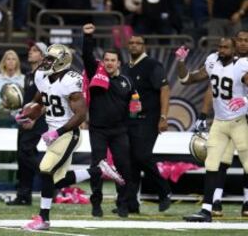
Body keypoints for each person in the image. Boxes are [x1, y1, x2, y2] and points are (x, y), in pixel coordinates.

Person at [17, 43, 125, 230]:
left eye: (51, 59)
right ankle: (98, 171)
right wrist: (30, 116)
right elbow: (45, 100)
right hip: (55, 134)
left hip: (68, 133)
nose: (46, 62)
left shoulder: (70, 81)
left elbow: (81, 115)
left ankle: (43, 219)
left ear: (62, 62)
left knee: (45, 168)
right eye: (47, 58)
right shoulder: (43, 77)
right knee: (56, 180)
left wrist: (57, 132)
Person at [176, 38, 248, 222]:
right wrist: (181, 62)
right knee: (211, 164)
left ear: (234, 50)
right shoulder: (212, 60)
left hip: (239, 122)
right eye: (220, 47)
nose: (222, 50)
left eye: (226, 47)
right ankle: (207, 210)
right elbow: (186, 80)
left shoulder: (241, 65)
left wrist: (245, 100)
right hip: (219, 122)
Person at [82, 23, 140, 218]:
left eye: (112, 60)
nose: (108, 63)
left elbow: (134, 107)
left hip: (120, 131)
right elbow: (87, 57)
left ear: (118, 63)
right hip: (97, 130)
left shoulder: (127, 82)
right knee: (97, 168)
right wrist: (88, 37)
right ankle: (96, 203)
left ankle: (122, 204)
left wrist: (135, 116)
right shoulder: (95, 75)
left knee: (124, 167)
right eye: (106, 60)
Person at [118, 35, 172, 214]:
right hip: (129, 120)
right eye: (131, 43)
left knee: (141, 156)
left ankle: (164, 189)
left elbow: (164, 89)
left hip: (149, 119)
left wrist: (163, 117)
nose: (134, 46)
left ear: (144, 46)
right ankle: (131, 203)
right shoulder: (125, 68)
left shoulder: (153, 65)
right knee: (131, 162)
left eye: (138, 43)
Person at [6, 42, 48, 205]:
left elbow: (47, 99)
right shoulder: (30, 75)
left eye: (35, 50)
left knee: (26, 152)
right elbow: (30, 100)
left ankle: (51, 178)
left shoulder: (43, 74)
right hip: (26, 119)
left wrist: (34, 118)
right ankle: (24, 195)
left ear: (43, 56)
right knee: (23, 156)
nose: (30, 52)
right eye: (30, 49)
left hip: (37, 121)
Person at [0, 49, 25, 126]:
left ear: (17, 63)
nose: (11, 61)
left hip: (19, 115)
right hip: (1, 113)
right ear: (4, 62)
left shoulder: (23, 79)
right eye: (8, 59)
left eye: (13, 59)